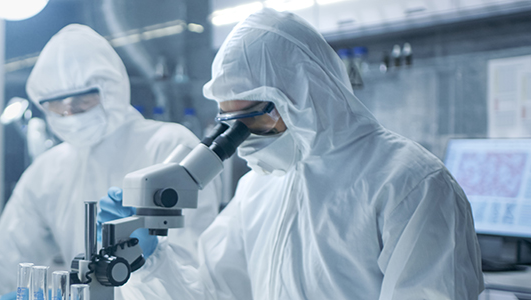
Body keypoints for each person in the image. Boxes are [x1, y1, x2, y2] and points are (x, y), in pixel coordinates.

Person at [102, 8, 483, 299]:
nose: (244, 139)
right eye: (230, 124)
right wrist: (147, 261)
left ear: (307, 96)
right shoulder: (257, 189)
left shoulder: (408, 182)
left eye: (255, 118)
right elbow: (213, 293)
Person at [0, 24, 222, 295]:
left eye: (82, 102)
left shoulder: (170, 146)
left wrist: (147, 260)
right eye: (57, 106)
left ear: (112, 89)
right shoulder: (48, 169)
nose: (70, 114)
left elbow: (192, 270)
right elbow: (5, 257)